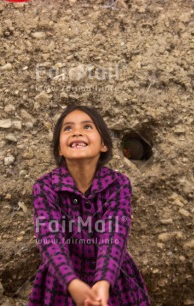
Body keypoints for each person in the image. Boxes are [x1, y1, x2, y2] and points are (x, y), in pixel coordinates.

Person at [29, 105, 151, 306]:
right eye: (67, 129)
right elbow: (50, 239)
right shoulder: (45, 187)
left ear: (103, 144)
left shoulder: (118, 184)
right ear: (59, 148)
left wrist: (103, 282)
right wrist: (71, 282)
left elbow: (114, 235)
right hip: (61, 281)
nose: (77, 132)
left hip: (113, 277)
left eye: (87, 127)